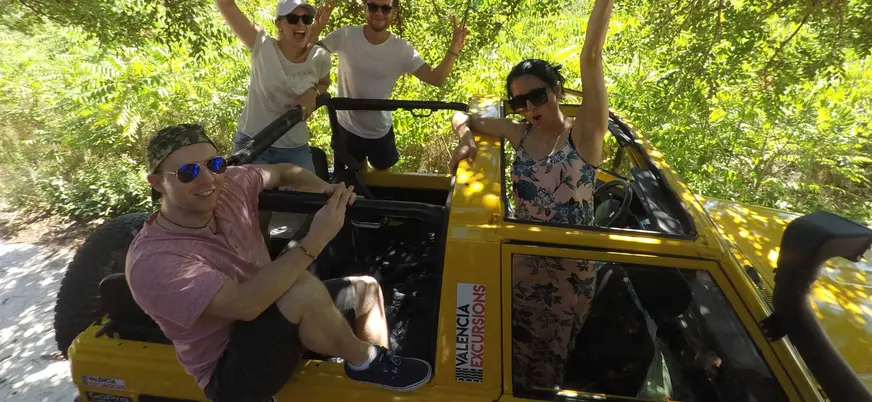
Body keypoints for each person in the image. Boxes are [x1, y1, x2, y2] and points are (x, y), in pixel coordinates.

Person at [126, 124, 432, 401]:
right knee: (300, 287)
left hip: (272, 313)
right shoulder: (154, 261)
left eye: (214, 164)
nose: (208, 179)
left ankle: (373, 382)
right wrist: (317, 238)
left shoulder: (229, 185)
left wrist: (323, 189)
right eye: (187, 172)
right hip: (230, 369)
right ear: (157, 182)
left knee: (366, 290)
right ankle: (366, 360)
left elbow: (285, 171)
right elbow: (245, 305)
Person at [448, 0, 614, 391]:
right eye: (519, 102)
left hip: (568, 274)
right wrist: (466, 138)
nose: (529, 108)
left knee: (549, 363)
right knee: (509, 352)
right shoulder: (518, 134)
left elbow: (590, 57)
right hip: (518, 265)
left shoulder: (585, 134)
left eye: (537, 97)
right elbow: (460, 115)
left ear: (556, 90)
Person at [310, 0, 469, 171]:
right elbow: (310, 54)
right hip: (346, 126)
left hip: (379, 131)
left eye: (385, 8)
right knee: (355, 179)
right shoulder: (345, 35)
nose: (379, 13)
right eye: (373, 7)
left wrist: (454, 48)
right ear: (365, 8)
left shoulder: (401, 49)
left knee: (383, 179)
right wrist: (317, 26)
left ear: (393, 13)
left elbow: (436, 78)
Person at [216, 0, 332, 172]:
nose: (301, 24)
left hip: (295, 148)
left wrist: (313, 92)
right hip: (253, 144)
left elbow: (324, 82)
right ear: (279, 23)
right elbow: (226, 5)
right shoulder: (262, 46)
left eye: (306, 19)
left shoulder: (320, 57)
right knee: (248, 196)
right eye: (293, 18)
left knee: (310, 197)